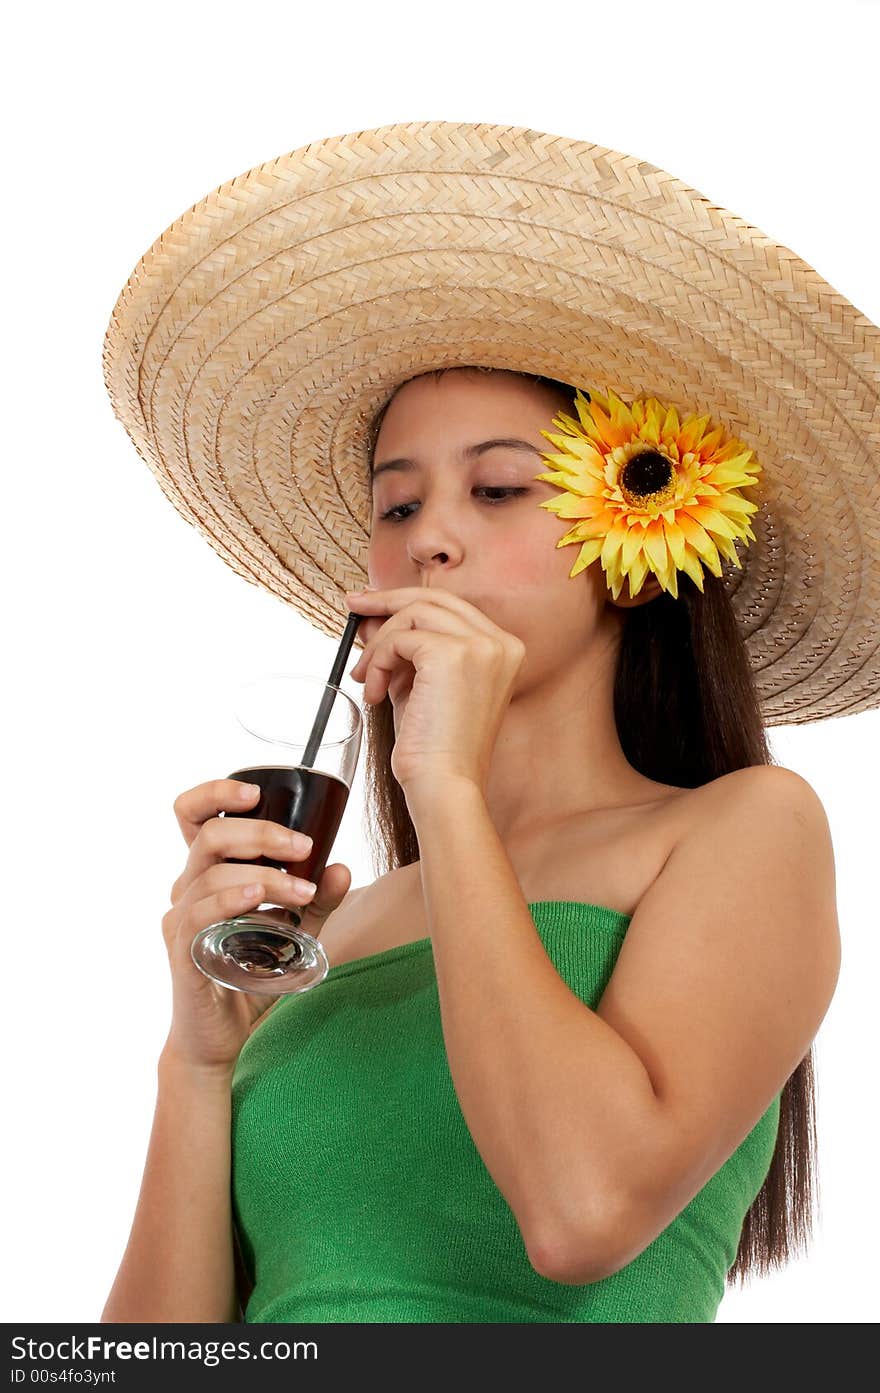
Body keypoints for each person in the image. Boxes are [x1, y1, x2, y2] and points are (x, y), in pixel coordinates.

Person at [99, 121, 875, 1323]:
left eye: (498, 488)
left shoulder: (744, 828)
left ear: (635, 550)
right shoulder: (334, 929)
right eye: (395, 503)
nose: (428, 538)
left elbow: (580, 1214)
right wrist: (201, 1058)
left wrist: (445, 790)